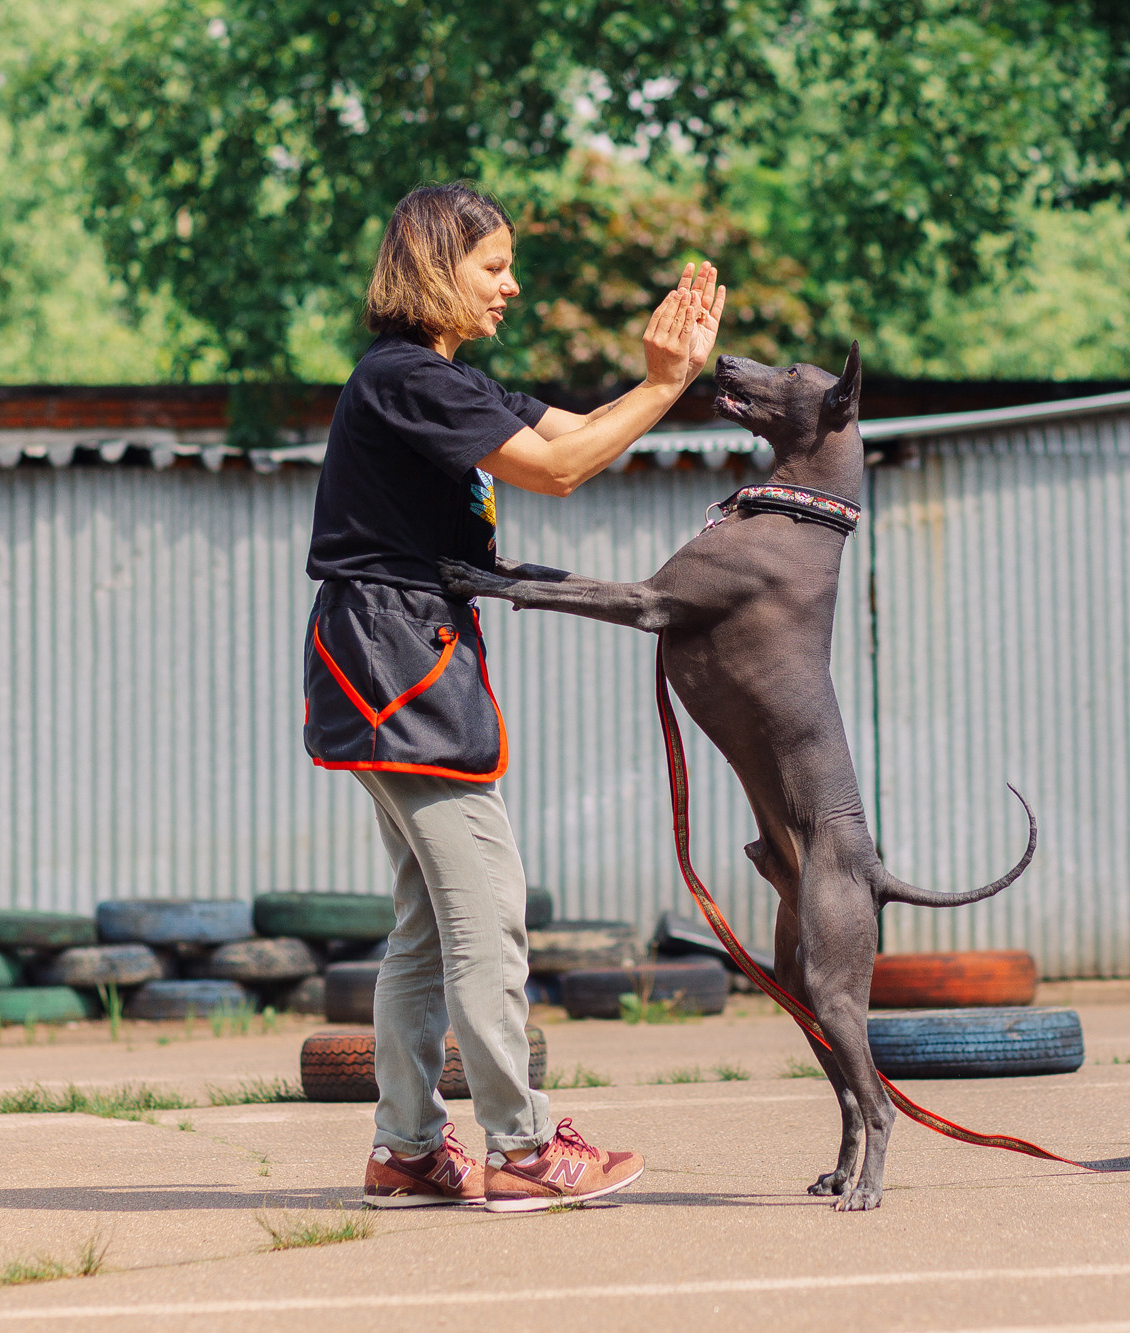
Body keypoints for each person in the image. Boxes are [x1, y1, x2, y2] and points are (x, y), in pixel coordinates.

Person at [303, 181, 725, 1213]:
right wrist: (664, 386)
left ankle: (405, 1149)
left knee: (424, 922)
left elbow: (569, 429)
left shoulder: (444, 382)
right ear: (434, 268)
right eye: (493, 266)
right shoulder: (406, 377)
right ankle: (524, 1144)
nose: (510, 285)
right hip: (394, 657)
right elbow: (559, 467)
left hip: (402, 650)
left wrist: (655, 381)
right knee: (486, 911)